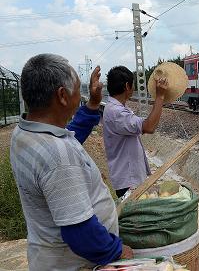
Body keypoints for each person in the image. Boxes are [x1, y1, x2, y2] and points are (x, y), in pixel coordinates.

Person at [10, 54, 133, 271]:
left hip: (48, 257)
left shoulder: (25, 132)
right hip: (76, 265)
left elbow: (70, 135)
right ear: (63, 96)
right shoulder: (58, 157)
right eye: (79, 89)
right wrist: (116, 251)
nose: (81, 95)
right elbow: (80, 231)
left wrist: (93, 103)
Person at [103, 66, 168, 198]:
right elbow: (149, 127)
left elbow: (142, 125)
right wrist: (160, 96)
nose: (134, 88)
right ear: (127, 86)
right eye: (133, 85)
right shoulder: (117, 112)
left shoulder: (117, 108)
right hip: (128, 181)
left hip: (129, 178)